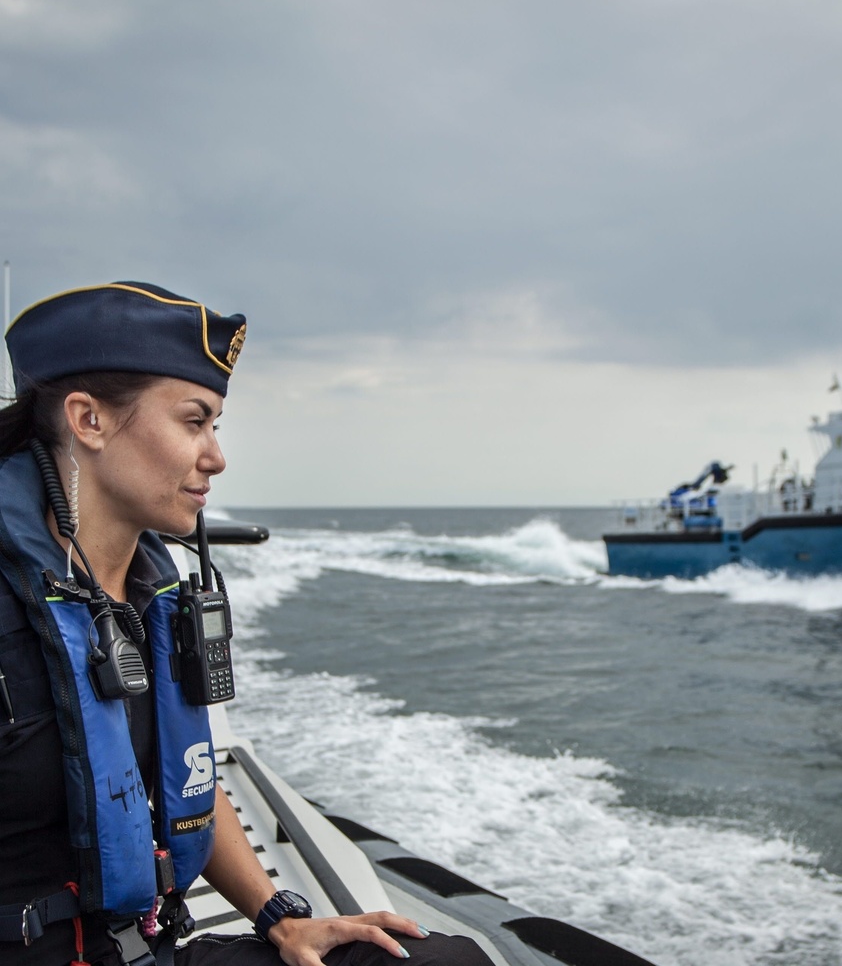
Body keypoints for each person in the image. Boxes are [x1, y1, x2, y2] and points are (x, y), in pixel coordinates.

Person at [0, 283, 493, 966]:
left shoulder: (149, 593)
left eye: (216, 426)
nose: (216, 456)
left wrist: (281, 918)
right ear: (89, 420)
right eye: (193, 421)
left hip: (143, 951)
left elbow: (185, 777)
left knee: (440, 960)